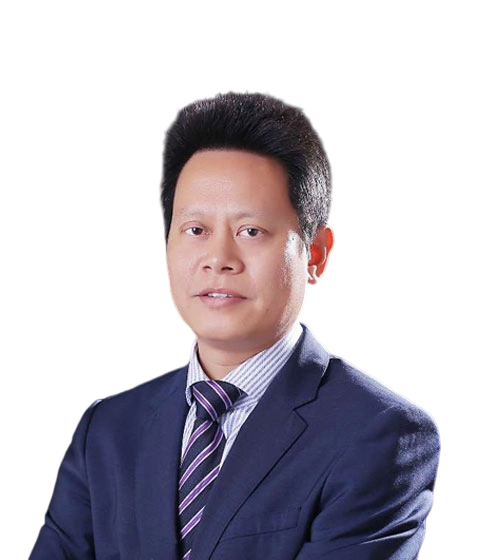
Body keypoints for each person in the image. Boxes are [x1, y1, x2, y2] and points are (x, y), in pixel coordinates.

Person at [29, 92, 441, 560]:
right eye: (196, 230)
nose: (219, 259)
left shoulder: (380, 433)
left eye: (251, 231)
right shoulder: (107, 429)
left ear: (316, 254)